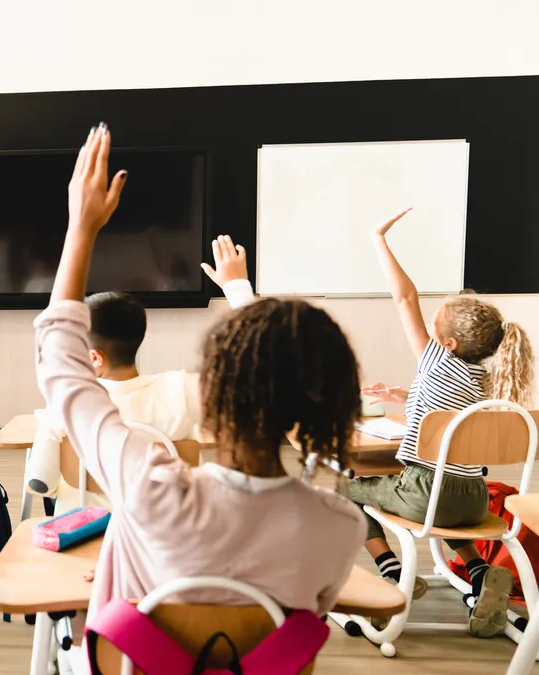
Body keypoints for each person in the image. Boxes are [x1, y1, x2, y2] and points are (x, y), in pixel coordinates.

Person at [37, 125, 366, 649]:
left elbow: (61, 365)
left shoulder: (148, 485)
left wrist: (81, 227)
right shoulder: (339, 527)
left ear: (217, 389)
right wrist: (240, 291)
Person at [352, 208, 533, 638]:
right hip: (473, 498)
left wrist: (378, 239)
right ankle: (478, 574)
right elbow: (448, 413)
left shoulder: (437, 359)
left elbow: (405, 298)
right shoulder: (487, 379)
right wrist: (404, 395)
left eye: (435, 329)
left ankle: (393, 572)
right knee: (445, 511)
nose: (428, 330)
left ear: (448, 344)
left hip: (423, 492)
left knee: (342, 490)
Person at [27, 235, 257, 514]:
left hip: (86, 539)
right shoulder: (179, 393)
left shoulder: (66, 406)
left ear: (94, 358)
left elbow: (40, 484)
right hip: (167, 540)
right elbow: (251, 374)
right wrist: (238, 289)